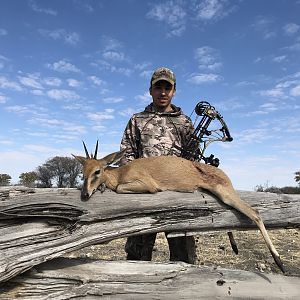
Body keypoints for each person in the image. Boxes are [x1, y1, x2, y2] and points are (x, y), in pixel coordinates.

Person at [119, 67, 196, 263]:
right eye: (158, 87)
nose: (163, 92)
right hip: (144, 196)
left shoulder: (184, 122)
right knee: (136, 256)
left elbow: (194, 159)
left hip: (177, 195)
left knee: (184, 256)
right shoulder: (137, 120)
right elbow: (127, 153)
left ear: (174, 91)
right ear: (150, 90)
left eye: (167, 88)